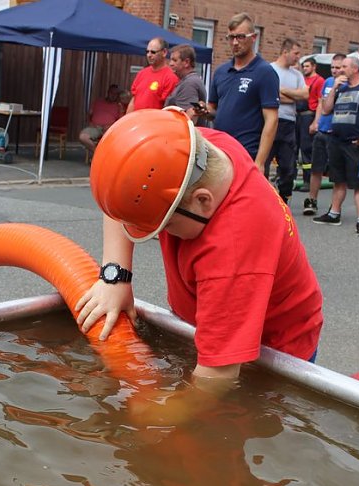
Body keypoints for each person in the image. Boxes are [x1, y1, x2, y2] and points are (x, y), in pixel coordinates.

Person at [76, 107, 323, 387]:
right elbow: (120, 192)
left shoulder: (232, 252)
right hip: (213, 312)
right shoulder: (193, 151)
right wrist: (116, 276)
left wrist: (150, 410)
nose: (162, 233)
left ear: (202, 201)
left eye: (166, 224)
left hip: (274, 348)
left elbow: (216, 376)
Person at [312, 56, 359, 237]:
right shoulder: (341, 88)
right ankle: (334, 213)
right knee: (338, 180)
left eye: (344, 66)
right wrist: (334, 88)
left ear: (355, 69)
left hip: (356, 143)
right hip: (337, 141)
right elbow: (326, 109)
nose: (341, 70)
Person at [206, 12, 279, 171]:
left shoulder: (265, 72)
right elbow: (213, 109)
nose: (235, 42)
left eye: (240, 37)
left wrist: (260, 162)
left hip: (247, 154)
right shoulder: (221, 72)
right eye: (231, 37)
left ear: (253, 38)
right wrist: (203, 111)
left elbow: (271, 119)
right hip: (220, 152)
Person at [303, 53, 346, 216]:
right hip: (322, 131)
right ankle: (312, 200)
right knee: (316, 168)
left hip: (337, 134)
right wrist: (316, 122)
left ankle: (334, 207)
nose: (334, 70)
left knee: (336, 172)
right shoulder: (328, 82)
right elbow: (321, 103)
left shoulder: (349, 84)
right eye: (332, 67)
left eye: (338, 67)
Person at [267, 38, 308, 204]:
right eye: (296, 53)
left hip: (289, 124)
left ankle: (284, 199)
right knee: (264, 162)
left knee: (288, 167)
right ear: (285, 52)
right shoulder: (270, 70)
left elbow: (304, 95)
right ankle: (264, 198)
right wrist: (292, 96)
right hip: (271, 121)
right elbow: (270, 95)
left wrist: (282, 90)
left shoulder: (297, 75)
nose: (298, 57)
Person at [125, 37, 179, 113]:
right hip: (137, 118)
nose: (149, 55)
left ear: (164, 52)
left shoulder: (170, 77)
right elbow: (133, 100)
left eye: (153, 52)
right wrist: (128, 118)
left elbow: (168, 108)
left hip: (156, 119)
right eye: (147, 52)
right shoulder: (142, 73)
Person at [296, 57, 325, 189]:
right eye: (304, 66)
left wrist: (315, 122)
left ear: (314, 67)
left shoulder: (319, 81)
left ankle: (307, 180)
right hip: (297, 115)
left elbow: (320, 102)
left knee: (306, 149)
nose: (305, 69)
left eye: (307, 66)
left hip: (309, 116)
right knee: (293, 148)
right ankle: (290, 176)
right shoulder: (301, 79)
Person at [165, 44, 207, 124]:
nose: (170, 64)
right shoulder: (187, 81)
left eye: (174, 60)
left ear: (186, 62)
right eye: (170, 60)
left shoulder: (189, 84)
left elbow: (189, 118)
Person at [78, 84, 123, 155]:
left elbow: (121, 121)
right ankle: (98, 154)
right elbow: (89, 114)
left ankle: (102, 155)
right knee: (83, 137)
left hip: (109, 129)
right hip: (95, 127)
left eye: (116, 94)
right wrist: (90, 122)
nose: (113, 95)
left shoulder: (118, 106)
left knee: (115, 141)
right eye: (112, 93)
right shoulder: (98, 102)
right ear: (108, 92)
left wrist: (111, 126)